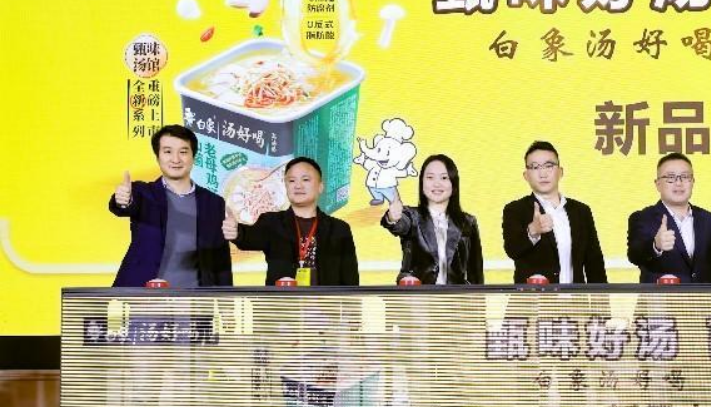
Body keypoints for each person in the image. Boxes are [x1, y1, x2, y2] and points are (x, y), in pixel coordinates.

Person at [109, 124, 232, 287]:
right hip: (145, 295)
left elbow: (221, 258)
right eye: (168, 152)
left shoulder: (213, 202)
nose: (176, 159)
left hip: (195, 297)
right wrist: (123, 200)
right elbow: (125, 205)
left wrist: (226, 297)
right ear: (157, 157)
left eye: (183, 152)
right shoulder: (143, 193)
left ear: (193, 156)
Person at [223, 156, 359, 286]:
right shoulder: (272, 222)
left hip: (326, 302)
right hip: (283, 302)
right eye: (292, 181)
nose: (298, 186)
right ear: (286, 186)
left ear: (320, 187)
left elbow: (350, 280)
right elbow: (249, 237)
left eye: (305, 179)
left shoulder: (339, 229)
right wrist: (236, 232)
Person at [502, 141, 607, 284]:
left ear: (560, 172)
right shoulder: (515, 210)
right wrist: (532, 232)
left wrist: (601, 297)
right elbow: (512, 250)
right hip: (533, 297)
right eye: (535, 167)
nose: (543, 173)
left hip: (575, 297)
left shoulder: (581, 212)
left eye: (549, 165)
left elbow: (594, 263)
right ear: (526, 175)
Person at [380, 154, 484, 284]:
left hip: (456, 294)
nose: (437, 183)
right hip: (418, 294)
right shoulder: (412, 216)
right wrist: (393, 217)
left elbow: (475, 271)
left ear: (454, 185)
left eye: (444, 178)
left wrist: (479, 295)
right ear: (422, 183)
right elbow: (400, 224)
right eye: (430, 177)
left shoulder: (467, 222)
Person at [627, 152, 711, 284]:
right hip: (661, 296)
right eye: (671, 177)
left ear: (693, 182)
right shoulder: (643, 218)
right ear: (657, 184)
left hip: (703, 297)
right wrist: (655, 245)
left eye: (685, 177)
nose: (679, 183)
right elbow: (634, 255)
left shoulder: (709, 220)